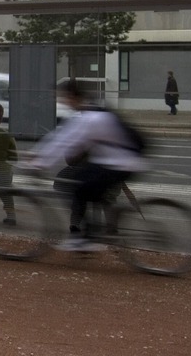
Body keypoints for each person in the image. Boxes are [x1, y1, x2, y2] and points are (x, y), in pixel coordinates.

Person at [27, 80, 146, 252]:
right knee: (89, 190)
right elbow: (63, 138)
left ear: (71, 96)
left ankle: (84, 237)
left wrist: (39, 162)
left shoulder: (90, 118)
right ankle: (98, 229)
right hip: (119, 162)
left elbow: (64, 142)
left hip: (119, 164)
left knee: (75, 188)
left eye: (63, 98)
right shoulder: (93, 111)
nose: (62, 102)